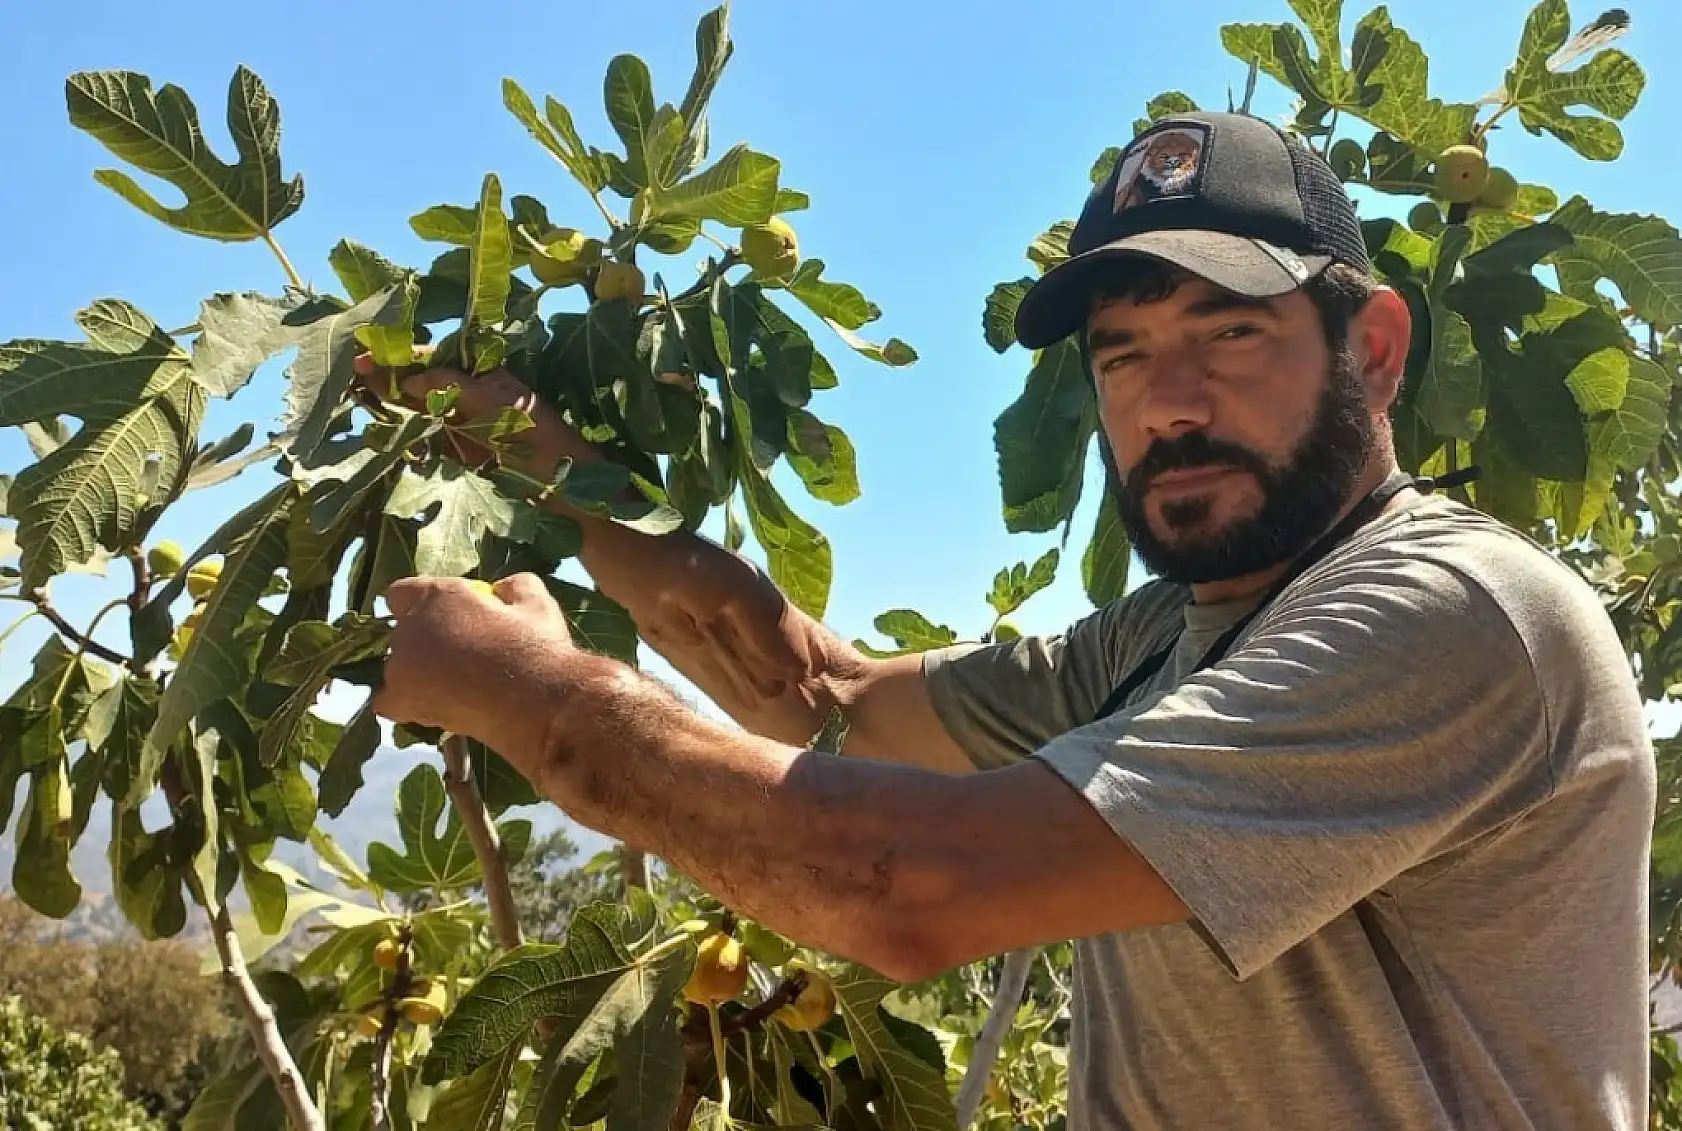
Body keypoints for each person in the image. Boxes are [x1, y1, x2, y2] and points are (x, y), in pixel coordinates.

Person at [368, 111, 1656, 1130]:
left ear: (1371, 349)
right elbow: (818, 702)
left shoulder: (1455, 617)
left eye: (1229, 332)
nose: (1168, 401)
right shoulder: (1157, 640)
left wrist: (544, 707)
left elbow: (909, 889)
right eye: (1122, 353)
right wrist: (544, 461)